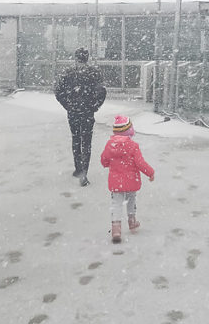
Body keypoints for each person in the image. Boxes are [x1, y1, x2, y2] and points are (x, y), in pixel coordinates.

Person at [53, 46, 106, 186]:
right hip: (88, 112)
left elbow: (58, 91)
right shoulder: (94, 72)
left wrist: (67, 105)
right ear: (87, 58)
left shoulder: (68, 72)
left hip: (73, 111)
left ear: (76, 58)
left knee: (76, 138)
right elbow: (102, 91)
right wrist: (95, 105)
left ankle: (78, 168)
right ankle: (84, 173)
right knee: (86, 141)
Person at [100, 115, 154, 244]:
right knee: (131, 200)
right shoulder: (133, 146)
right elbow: (140, 163)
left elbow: (104, 160)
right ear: (130, 130)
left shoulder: (110, 145)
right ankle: (132, 221)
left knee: (116, 204)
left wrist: (109, 163)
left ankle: (116, 229)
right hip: (131, 180)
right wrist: (150, 173)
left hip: (116, 182)